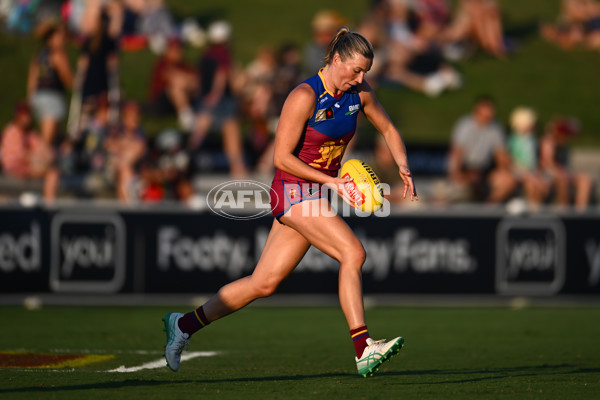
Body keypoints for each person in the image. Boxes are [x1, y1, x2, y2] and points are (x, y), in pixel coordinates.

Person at [163, 26, 418, 378]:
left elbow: (388, 130)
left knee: (263, 283)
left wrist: (403, 165)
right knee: (353, 253)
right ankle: (363, 349)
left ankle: (183, 325)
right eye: (355, 70)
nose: (360, 78)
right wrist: (332, 181)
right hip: (292, 189)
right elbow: (281, 158)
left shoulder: (359, 93)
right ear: (337, 59)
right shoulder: (304, 96)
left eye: (365, 73)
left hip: (313, 191)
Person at [188, 20, 248, 177]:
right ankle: (238, 169)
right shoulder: (224, 53)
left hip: (205, 97)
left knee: (199, 132)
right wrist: (216, 94)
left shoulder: (206, 54)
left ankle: (184, 161)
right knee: (231, 134)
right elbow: (221, 74)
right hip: (223, 99)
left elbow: (200, 77)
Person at [448, 95, 516, 203]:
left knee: (508, 181)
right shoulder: (465, 126)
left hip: (486, 170)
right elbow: (457, 152)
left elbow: (500, 154)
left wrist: (505, 169)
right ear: (477, 111)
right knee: (470, 183)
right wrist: (456, 173)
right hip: (467, 168)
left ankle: (489, 207)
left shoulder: (495, 128)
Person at [1, 102, 59, 201]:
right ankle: (49, 205)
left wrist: (44, 155)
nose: (26, 118)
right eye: (24, 115)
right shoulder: (12, 131)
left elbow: (44, 151)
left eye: (28, 115)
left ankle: (49, 204)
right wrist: (37, 158)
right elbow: (18, 156)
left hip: (26, 166)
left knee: (52, 172)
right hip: (13, 166)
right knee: (52, 174)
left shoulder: (30, 133)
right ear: (18, 116)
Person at [27, 19, 73, 145]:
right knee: (47, 141)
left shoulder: (39, 56)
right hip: (53, 98)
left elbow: (32, 80)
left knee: (48, 136)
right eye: (61, 36)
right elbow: (68, 78)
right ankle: (40, 163)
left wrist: (30, 100)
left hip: (38, 97)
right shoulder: (58, 54)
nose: (63, 39)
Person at [539, 117, 593, 211]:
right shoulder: (548, 142)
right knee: (562, 178)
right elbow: (547, 164)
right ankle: (564, 211)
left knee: (585, 179)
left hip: (563, 172)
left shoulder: (564, 146)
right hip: (548, 174)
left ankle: (580, 212)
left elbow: (566, 166)